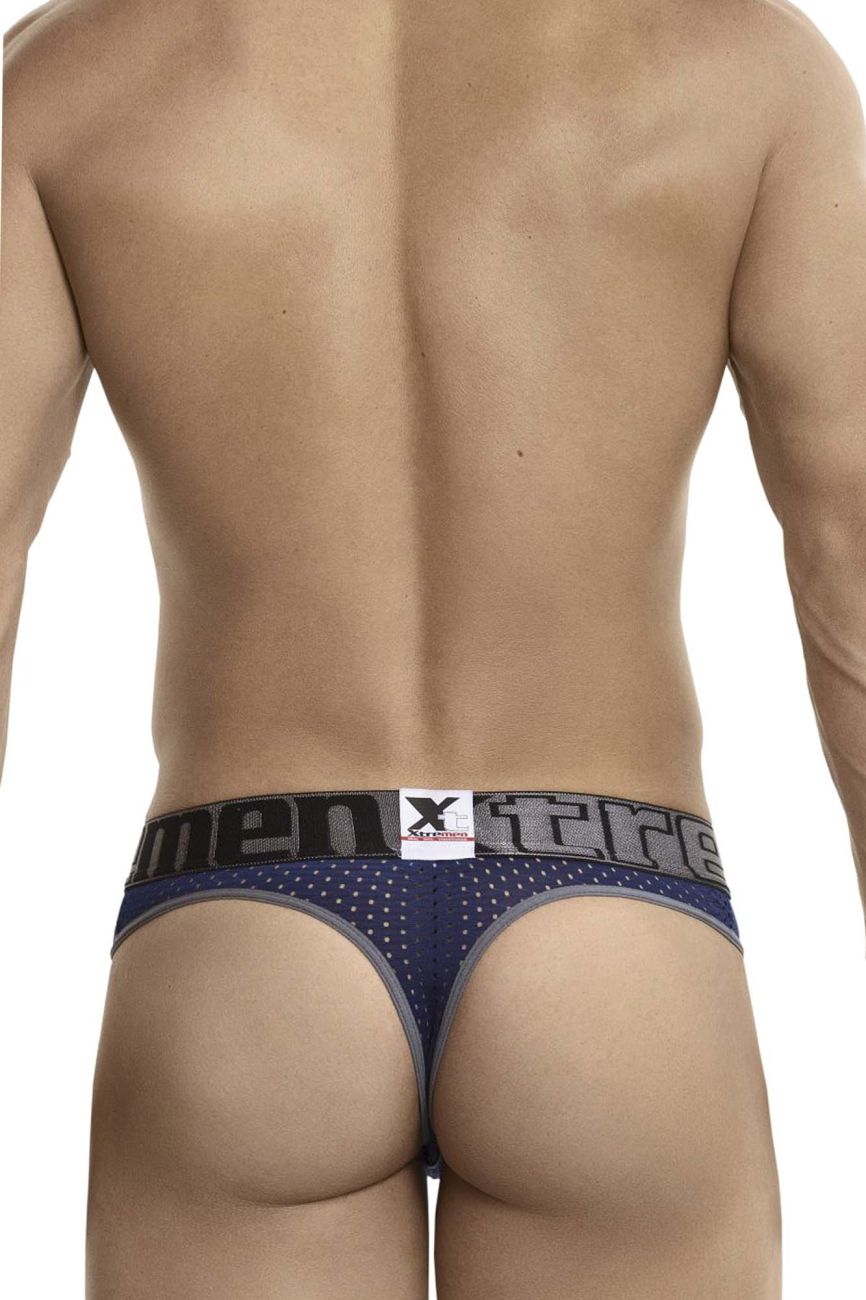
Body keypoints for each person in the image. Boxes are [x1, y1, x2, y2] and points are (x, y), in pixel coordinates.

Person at [2, 0, 864, 1295]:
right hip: (611, 922)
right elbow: (850, 560)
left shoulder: (74, 74)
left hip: (246, 930)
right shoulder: (741, 63)